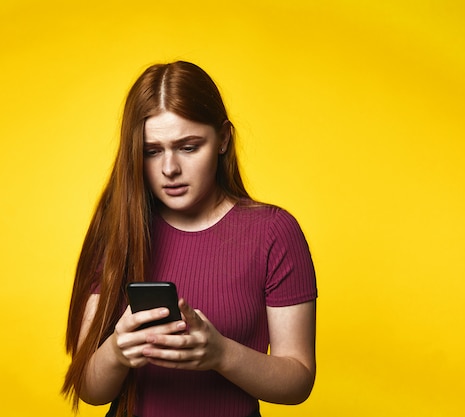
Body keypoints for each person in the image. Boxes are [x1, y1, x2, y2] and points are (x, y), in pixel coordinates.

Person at [63, 61, 317, 417]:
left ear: (223, 139)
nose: (169, 169)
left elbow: (299, 380)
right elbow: (90, 391)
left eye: (188, 147)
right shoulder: (118, 230)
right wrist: (117, 352)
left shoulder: (273, 232)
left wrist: (221, 354)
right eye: (152, 151)